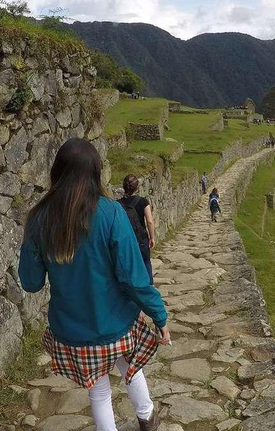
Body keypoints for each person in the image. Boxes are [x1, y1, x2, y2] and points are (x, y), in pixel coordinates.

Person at [19, 138, 169, 431]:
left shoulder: (38, 219)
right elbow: (133, 278)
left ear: (57, 171)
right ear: (96, 173)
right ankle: (147, 418)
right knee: (131, 365)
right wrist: (159, 315)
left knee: (98, 392)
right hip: (116, 322)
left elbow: (31, 282)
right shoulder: (111, 213)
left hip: (73, 329)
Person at [119, 175, 156, 283]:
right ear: (137, 187)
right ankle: (149, 287)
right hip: (141, 240)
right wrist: (152, 237)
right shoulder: (143, 201)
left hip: (126, 241)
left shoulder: (117, 204)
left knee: (129, 266)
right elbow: (149, 221)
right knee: (146, 263)